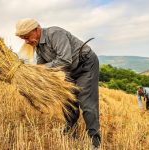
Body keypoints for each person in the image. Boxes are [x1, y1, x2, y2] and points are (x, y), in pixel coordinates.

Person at [15, 18, 101, 148]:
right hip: (70, 69)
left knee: (86, 101)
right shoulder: (38, 46)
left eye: (27, 37)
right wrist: (29, 75)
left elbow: (65, 60)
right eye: (23, 39)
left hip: (85, 65)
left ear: (36, 29)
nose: (27, 41)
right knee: (68, 100)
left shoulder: (55, 34)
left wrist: (40, 69)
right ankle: (70, 129)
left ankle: (95, 141)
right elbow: (41, 66)